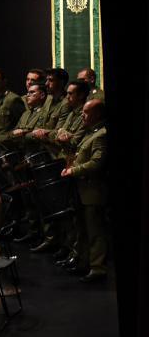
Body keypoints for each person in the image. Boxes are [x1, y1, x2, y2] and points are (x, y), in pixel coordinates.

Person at [62, 101, 108, 283]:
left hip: (93, 191)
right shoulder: (89, 133)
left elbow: (97, 163)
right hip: (81, 189)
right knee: (81, 229)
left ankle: (98, 269)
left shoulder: (102, 135)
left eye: (86, 112)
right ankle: (83, 262)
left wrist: (74, 170)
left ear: (97, 115)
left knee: (95, 231)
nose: (82, 115)